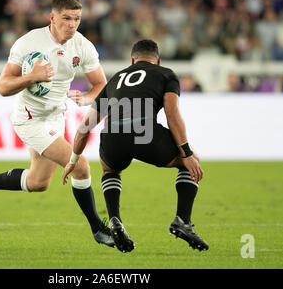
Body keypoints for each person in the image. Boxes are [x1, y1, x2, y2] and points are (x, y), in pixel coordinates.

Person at [0, 0, 114, 247]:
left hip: (56, 116)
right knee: (81, 165)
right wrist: (32, 77)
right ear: (52, 17)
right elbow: (4, 86)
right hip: (29, 119)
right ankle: (98, 229)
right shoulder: (28, 43)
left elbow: (100, 85)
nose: (72, 24)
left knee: (38, 183)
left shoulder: (82, 45)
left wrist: (86, 98)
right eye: (66, 18)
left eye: (76, 19)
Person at [62, 39, 208, 253]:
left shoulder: (115, 79)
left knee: (110, 169)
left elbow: (85, 127)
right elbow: (172, 114)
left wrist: (72, 160)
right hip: (145, 132)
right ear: (157, 61)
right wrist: (186, 152)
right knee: (191, 161)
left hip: (113, 135)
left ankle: (114, 219)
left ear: (132, 60)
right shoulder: (166, 74)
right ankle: (182, 221)